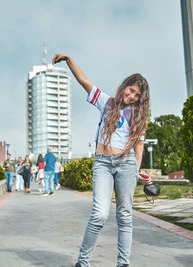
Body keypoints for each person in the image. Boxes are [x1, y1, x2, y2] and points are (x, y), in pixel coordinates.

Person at [52, 53, 150, 267]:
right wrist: (69, 60)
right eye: (131, 90)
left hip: (126, 164)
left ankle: (123, 264)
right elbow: (83, 81)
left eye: (137, 95)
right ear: (125, 86)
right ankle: (83, 263)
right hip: (103, 164)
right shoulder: (106, 102)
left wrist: (136, 171)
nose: (132, 96)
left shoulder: (139, 115)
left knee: (125, 216)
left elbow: (138, 145)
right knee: (99, 214)